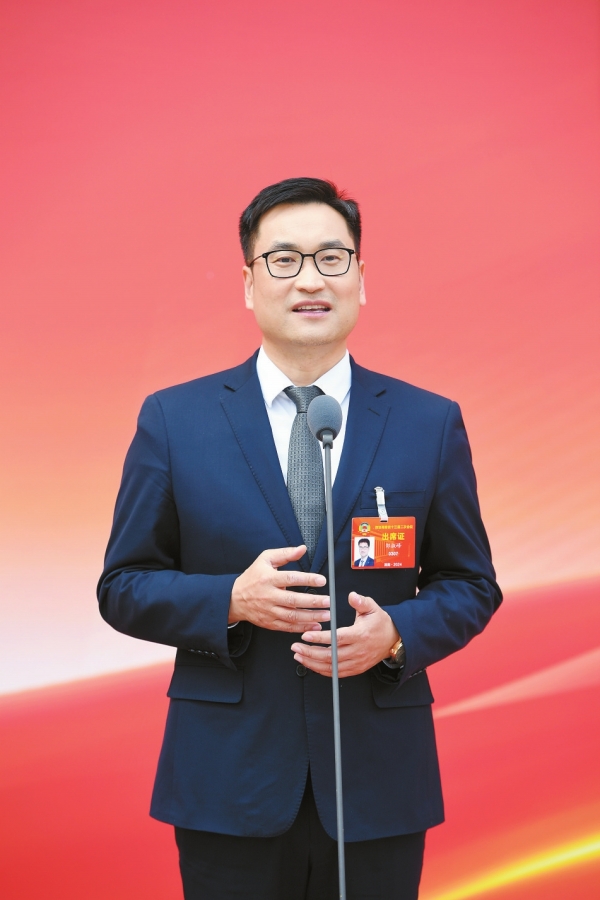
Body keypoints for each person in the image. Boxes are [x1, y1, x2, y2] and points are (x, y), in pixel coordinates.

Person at [98, 177, 501, 900]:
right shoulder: (175, 420)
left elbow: (471, 584)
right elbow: (123, 586)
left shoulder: (428, 422)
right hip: (229, 778)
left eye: (331, 258)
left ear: (361, 279)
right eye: (283, 260)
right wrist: (231, 599)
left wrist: (397, 635)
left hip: (376, 780)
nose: (310, 279)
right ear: (248, 283)